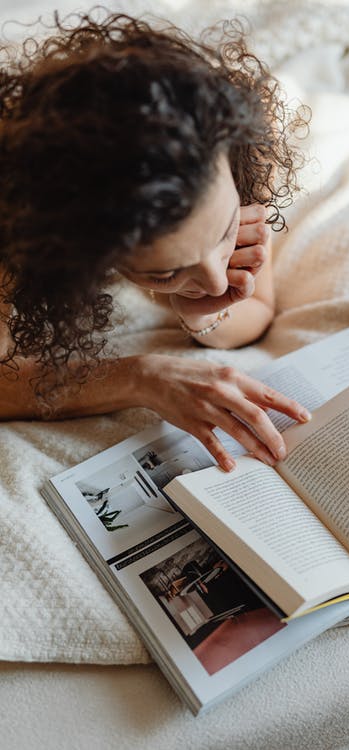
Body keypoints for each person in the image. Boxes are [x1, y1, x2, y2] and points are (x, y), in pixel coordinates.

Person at [0, 10, 311, 472]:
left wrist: (199, 314)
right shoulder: (17, 218)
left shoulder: (224, 142)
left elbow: (255, 311)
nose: (212, 278)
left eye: (226, 232)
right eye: (164, 270)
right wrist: (143, 378)